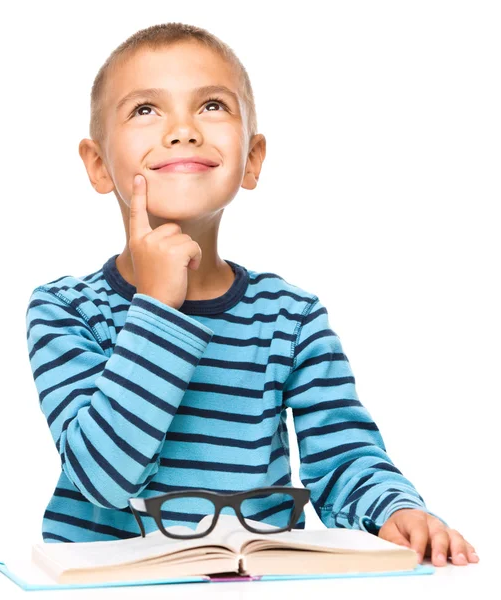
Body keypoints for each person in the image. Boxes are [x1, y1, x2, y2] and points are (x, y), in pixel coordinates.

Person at [25, 22, 478, 568]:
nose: (183, 130)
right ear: (98, 165)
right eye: (146, 110)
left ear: (253, 158)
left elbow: (342, 458)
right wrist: (157, 307)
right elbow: (103, 477)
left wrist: (395, 511)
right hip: (109, 585)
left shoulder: (292, 317)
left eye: (212, 106)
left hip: (254, 581)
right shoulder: (65, 310)